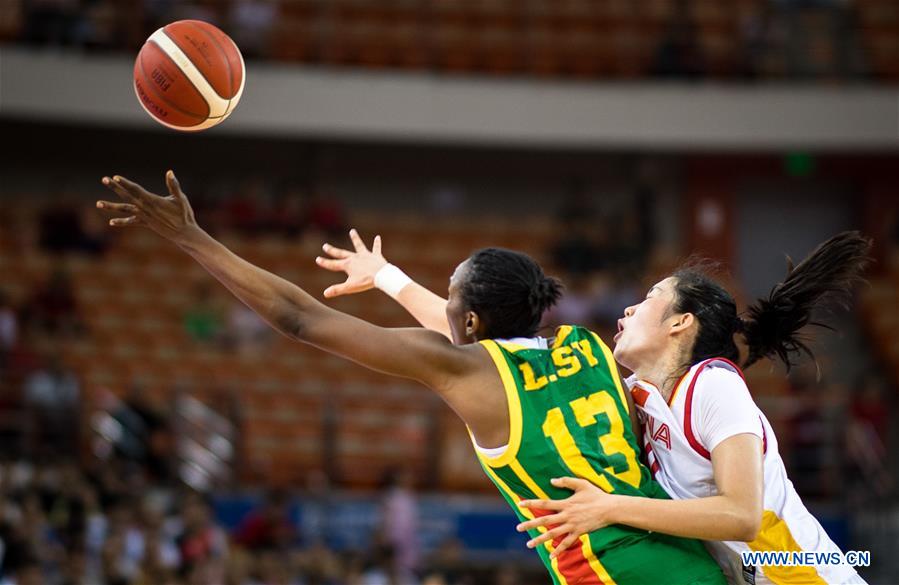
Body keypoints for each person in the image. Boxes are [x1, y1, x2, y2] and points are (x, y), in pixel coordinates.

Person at [96, 171, 725, 584]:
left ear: (472, 319)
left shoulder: (467, 368)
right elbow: (469, 332)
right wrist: (389, 278)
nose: (444, 304)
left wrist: (192, 238)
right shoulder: (586, 348)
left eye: (451, 295)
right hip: (690, 562)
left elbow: (297, 318)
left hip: (616, 574)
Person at [317, 229, 871, 585]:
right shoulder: (634, 392)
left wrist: (610, 507)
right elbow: (480, 347)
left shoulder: (715, 384)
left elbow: (742, 517)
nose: (630, 306)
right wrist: (387, 278)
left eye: (651, 297)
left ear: (681, 324)